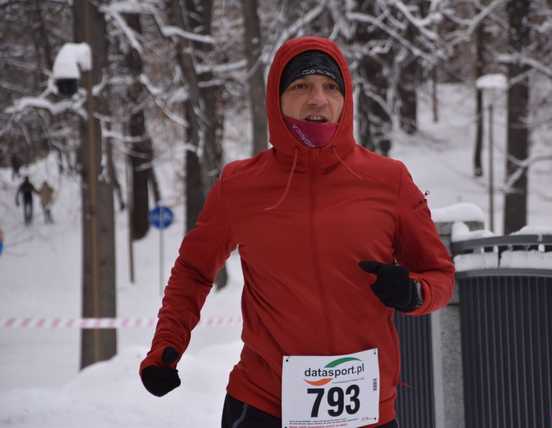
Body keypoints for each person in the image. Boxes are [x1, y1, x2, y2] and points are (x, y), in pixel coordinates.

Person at [139, 36, 455, 428]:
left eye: (330, 87)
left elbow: (439, 275)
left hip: (365, 412)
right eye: (301, 86)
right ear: (277, 98)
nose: (318, 99)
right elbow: (194, 270)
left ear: (345, 98)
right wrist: (166, 347)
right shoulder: (240, 185)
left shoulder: (388, 181)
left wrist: (414, 291)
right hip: (263, 406)